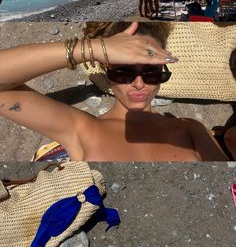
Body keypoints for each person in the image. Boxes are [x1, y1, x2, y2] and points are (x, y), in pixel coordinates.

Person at [0, 21, 228, 162]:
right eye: (123, 72)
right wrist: (96, 48)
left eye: (151, 72)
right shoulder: (81, 128)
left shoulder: (190, 128)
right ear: (105, 68)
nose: (139, 84)